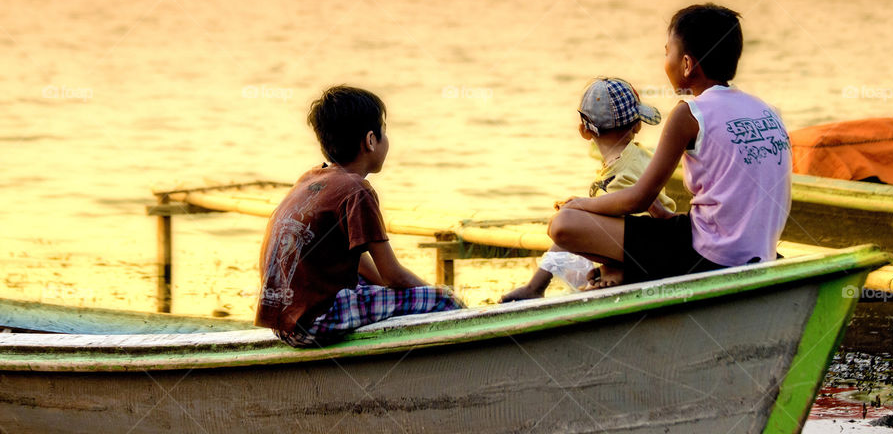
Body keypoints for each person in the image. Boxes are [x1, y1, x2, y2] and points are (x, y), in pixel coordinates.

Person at [548, 4, 792, 284]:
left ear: (687, 64)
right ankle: (626, 269)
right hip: (759, 252)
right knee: (659, 225)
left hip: (709, 257)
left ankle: (624, 272)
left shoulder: (689, 114)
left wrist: (580, 203)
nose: (665, 61)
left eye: (667, 52)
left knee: (564, 224)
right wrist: (663, 215)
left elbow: (637, 197)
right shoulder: (768, 110)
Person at [255, 85, 462, 347]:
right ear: (370, 140)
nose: (386, 139)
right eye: (383, 131)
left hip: (281, 322)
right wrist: (428, 292)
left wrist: (388, 294)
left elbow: (359, 262)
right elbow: (393, 276)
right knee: (445, 301)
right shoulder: (356, 190)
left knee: (367, 280)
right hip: (315, 324)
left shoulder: (310, 179)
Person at [501, 78, 677, 302]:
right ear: (638, 125)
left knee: (567, 225)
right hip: (657, 239)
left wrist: (612, 265)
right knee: (574, 221)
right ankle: (538, 286)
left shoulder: (620, 174)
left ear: (584, 131)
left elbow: (633, 226)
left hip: (647, 251)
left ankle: (541, 285)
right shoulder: (637, 156)